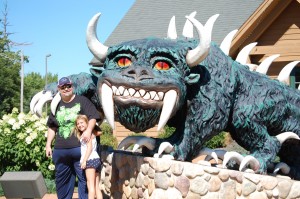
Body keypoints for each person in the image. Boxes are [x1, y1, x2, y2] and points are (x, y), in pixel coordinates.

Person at [46, 77, 100, 199]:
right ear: (59, 89)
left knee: (84, 181)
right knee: (61, 182)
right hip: (60, 150)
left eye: (68, 86)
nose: (66, 89)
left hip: (80, 149)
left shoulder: (82, 101)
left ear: (72, 87)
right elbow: (52, 126)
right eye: (63, 87)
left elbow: (92, 117)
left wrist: (89, 130)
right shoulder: (56, 105)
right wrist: (48, 144)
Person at [74, 115, 103, 199]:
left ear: (87, 123)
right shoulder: (92, 133)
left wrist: (84, 161)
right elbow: (100, 132)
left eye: (82, 123)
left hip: (90, 160)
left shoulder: (86, 134)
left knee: (91, 187)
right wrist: (92, 130)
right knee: (96, 187)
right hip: (96, 159)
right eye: (78, 124)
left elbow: (89, 148)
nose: (80, 125)